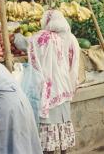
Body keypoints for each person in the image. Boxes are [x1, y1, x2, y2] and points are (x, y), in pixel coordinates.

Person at [15, 9, 80, 154]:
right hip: (64, 88)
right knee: (63, 124)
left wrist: (16, 34)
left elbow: (24, 44)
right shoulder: (72, 38)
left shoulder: (43, 37)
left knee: (48, 126)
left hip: (49, 89)